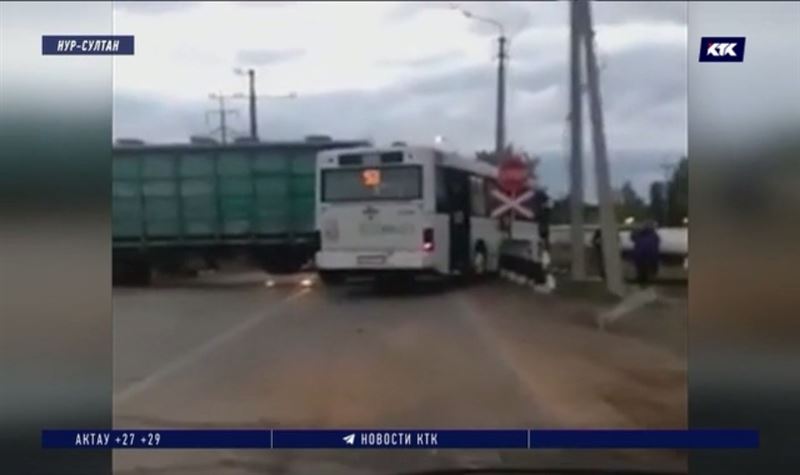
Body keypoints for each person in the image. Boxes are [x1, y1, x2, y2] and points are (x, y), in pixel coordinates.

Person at [631, 220, 661, 287]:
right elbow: (654, 249)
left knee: (641, 272)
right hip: (649, 257)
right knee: (646, 273)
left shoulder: (639, 235)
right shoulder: (654, 236)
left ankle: (642, 284)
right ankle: (645, 284)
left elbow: (632, 237)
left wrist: (634, 230)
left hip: (639, 257)